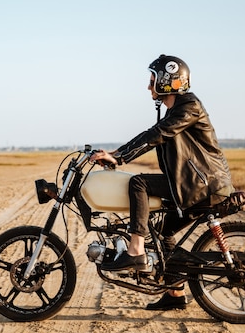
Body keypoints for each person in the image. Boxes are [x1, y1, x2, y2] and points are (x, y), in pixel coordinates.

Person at [90, 54, 234, 311]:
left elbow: (156, 134)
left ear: (167, 81)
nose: (149, 86)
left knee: (139, 184)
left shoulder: (189, 106)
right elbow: (154, 133)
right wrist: (116, 155)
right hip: (194, 184)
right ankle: (175, 293)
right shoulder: (177, 110)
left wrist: (119, 157)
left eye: (152, 80)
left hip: (204, 185)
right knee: (163, 231)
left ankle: (135, 251)